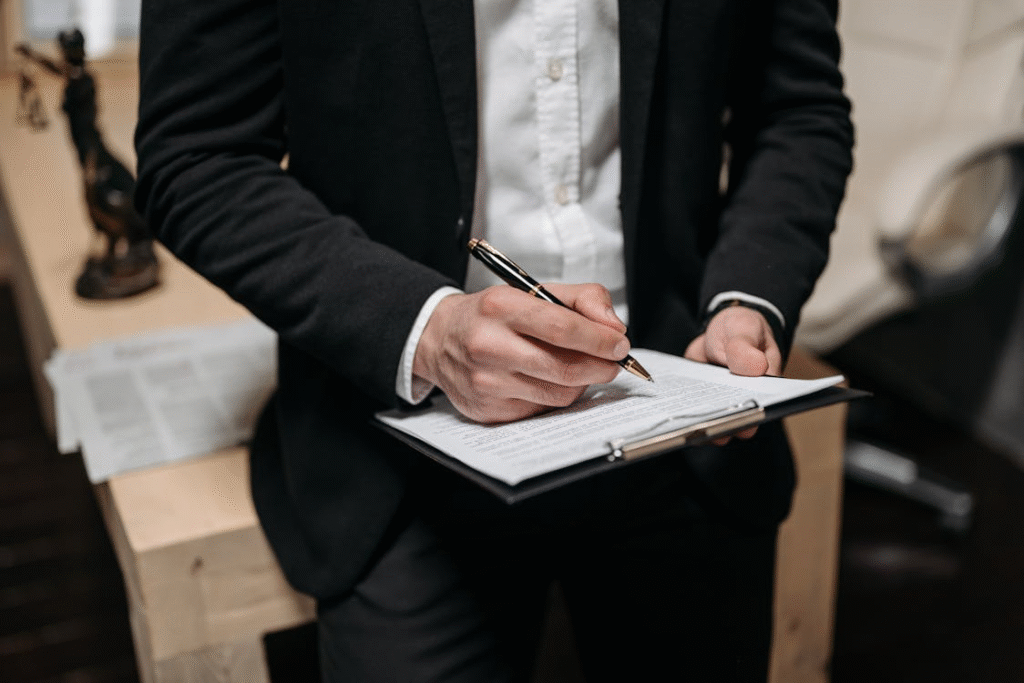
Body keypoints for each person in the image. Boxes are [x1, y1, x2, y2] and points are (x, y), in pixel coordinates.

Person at [135, 0, 853, 680]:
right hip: (402, 453)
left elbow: (797, 111)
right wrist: (423, 327)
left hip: (681, 418)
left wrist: (748, 296)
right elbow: (199, 155)